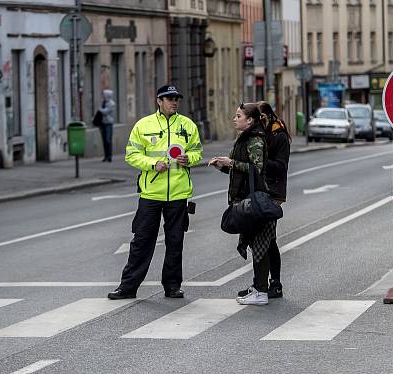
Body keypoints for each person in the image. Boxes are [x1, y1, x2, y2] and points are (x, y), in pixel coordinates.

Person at [107, 84, 202, 300]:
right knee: (141, 241)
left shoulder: (187, 125)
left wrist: (190, 159)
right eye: (169, 98)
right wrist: (153, 164)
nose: (174, 102)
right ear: (159, 101)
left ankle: (172, 286)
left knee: (175, 241)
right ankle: (128, 287)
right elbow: (131, 155)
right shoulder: (144, 125)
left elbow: (197, 151)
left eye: (176, 98)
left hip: (178, 194)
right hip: (150, 194)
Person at [209, 102, 273, 306]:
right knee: (256, 245)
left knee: (260, 246)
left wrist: (231, 163)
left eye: (238, 116)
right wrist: (223, 166)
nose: (234, 119)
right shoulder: (243, 138)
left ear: (250, 120)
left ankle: (262, 291)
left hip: (253, 200)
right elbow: (239, 170)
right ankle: (258, 287)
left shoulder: (255, 139)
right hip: (244, 198)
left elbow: (256, 168)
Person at [254, 101, 291, 299]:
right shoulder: (258, 133)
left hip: (272, 192)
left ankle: (274, 283)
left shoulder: (279, 135)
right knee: (261, 239)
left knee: (269, 240)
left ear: (268, 116)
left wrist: (260, 162)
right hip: (259, 191)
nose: (260, 121)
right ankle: (260, 283)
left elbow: (280, 167)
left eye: (262, 117)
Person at [98, 89, 116, 162]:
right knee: (104, 140)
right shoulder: (104, 102)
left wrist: (100, 109)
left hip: (109, 123)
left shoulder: (111, 103)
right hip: (103, 123)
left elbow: (106, 111)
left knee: (108, 140)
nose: (103, 96)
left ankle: (109, 156)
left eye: (104, 95)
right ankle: (106, 156)